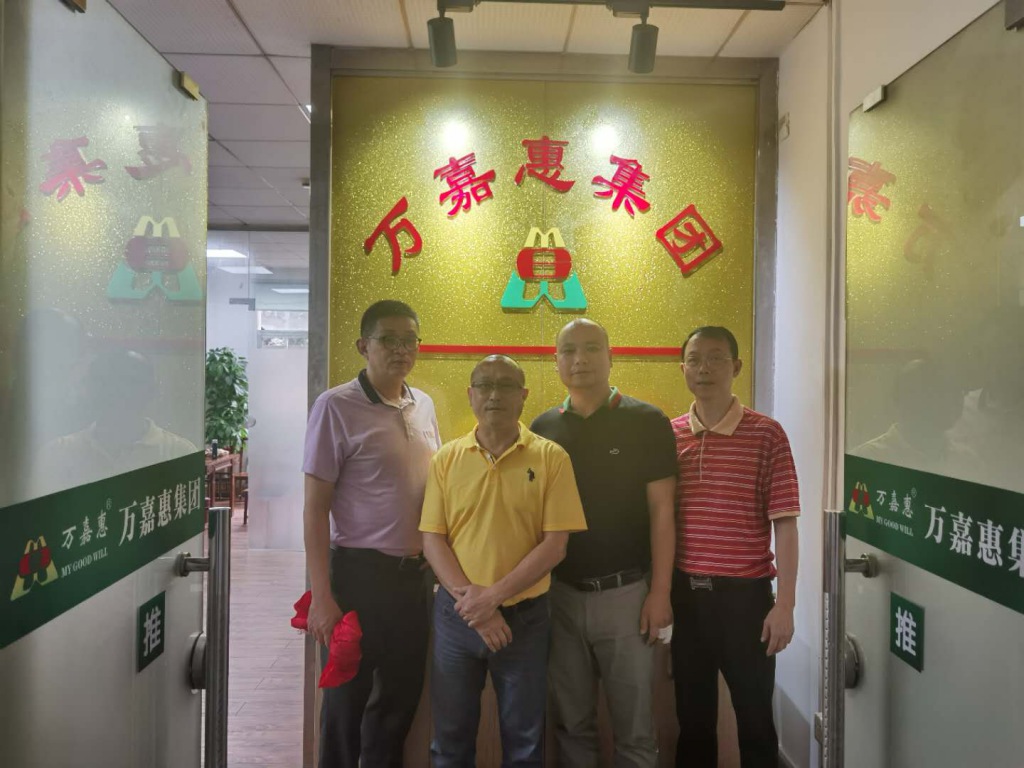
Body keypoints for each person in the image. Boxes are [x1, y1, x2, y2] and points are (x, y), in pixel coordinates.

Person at [420, 355, 587, 768]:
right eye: (485, 385)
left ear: (523, 395)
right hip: (456, 617)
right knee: (449, 742)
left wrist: (491, 598)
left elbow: (555, 546)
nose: (494, 395)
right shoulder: (446, 458)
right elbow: (432, 539)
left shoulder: (551, 458)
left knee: (525, 743)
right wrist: (475, 607)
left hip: (524, 620)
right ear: (470, 394)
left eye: (506, 386)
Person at [531, 318, 677, 768]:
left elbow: (663, 512)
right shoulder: (542, 427)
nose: (580, 360)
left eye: (592, 348)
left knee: (635, 729)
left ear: (611, 357)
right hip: (560, 596)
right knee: (572, 724)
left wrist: (660, 593)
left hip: (627, 596)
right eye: (569, 351)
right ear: (556, 361)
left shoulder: (647, 421)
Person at [302, 300, 441, 768]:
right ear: (364, 346)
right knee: (346, 706)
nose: (401, 350)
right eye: (388, 340)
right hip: (358, 578)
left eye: (410, 340)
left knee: (398, 704)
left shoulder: (423, 405)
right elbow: (315, 508)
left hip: (414, 580)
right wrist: (322, 596)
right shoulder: (335, 406)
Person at [670, 326, 800, 768]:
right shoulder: (670, 435)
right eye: (694, 359)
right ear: (683, 368)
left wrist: (785, 605)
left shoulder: (767, 434)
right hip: (687, 598)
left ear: (737, 367)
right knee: (693, 723)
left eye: (716, 358)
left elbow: (785, 523)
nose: (703, 368)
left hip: (746, 601)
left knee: (755, 721)